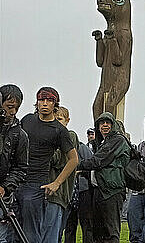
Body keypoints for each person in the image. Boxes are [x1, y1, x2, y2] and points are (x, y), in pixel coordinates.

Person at [16, 87, 78, 243]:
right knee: (12, 230)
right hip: (16, 180)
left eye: (49, 100)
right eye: (41, 100)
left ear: (55, 104)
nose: (44, 103)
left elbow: (74, 159)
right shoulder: (27, 120)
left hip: (37, 184)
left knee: (31, 234)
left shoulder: (59, 130)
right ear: (36, 102)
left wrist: (57, 183)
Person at [78, 112, 131, 243]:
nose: (105, 125)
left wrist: (76, 166)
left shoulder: (118, 140)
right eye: (102, 123)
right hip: (99, 190)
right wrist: (83, 172)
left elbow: (99, 161)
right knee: (98, 232)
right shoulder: (101, 143)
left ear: (113, 125)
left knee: (111, 232)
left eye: (108, 122)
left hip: (112, 191)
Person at [42, 106, 79, 243]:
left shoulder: (70, 136)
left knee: (51, 235)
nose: (56, 123)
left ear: (67, 121)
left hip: (58, 194)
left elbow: (56, 159)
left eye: (59, 119)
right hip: (45, 191)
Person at [0, 84, 28, 243]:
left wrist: (5, 187)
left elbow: (21, 168)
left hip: (3, 197)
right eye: (9, 107)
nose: (13, 112)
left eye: (16, 108)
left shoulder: (20, 135)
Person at [63, 130, 94, 243]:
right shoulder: (82, 149)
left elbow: (90, 167)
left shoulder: (82, 149)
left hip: (81, 190)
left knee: (82, 224)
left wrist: (79, 172)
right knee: (74, 224)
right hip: (75, 190)